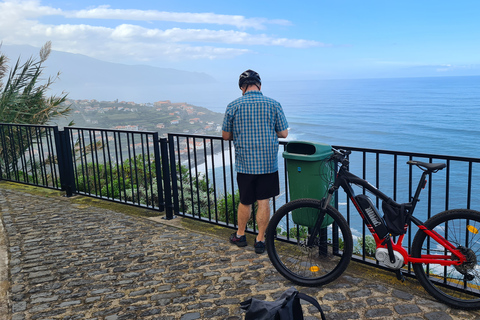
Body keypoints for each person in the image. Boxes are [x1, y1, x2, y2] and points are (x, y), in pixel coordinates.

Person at [222, 69, 289, 254]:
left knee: (245, 201)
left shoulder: (233, 105)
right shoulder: (273, 104)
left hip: (245, 163)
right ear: (259, 85)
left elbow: (226, 136)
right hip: (267, 163)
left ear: (242, 87)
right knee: (263, 201)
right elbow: (283, 133)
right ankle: (260, 240)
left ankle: (241, 235)